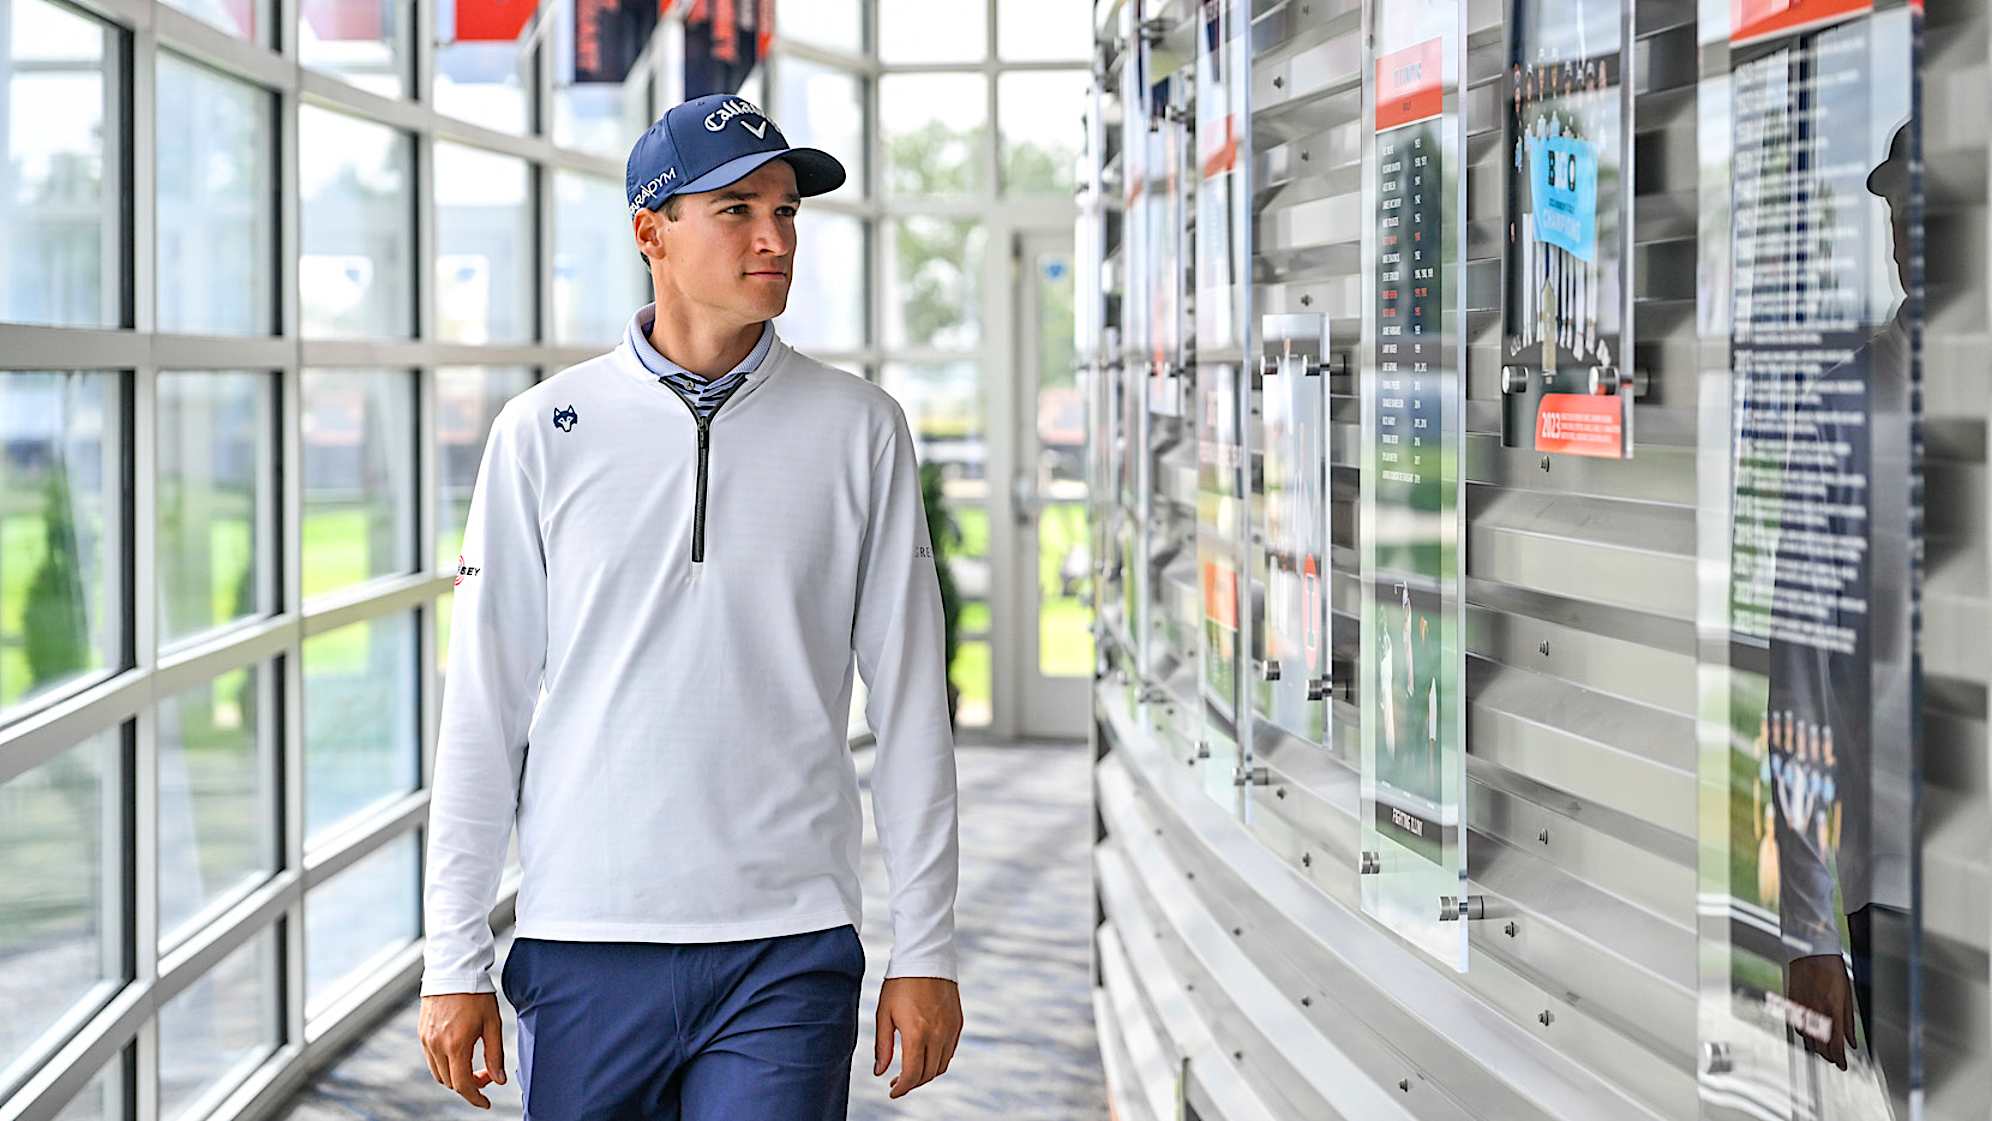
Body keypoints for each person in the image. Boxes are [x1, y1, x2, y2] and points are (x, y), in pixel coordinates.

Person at [415, 92, 964, 1120]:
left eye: (789, 211)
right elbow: (482, 711)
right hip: (585, 936)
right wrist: (455, 954)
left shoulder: (861, 429)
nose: (776, 237)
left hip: (787, 940)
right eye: (738, 208)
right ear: (649, 231)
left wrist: (925, 945)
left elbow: (910, 706)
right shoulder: (542, 433)